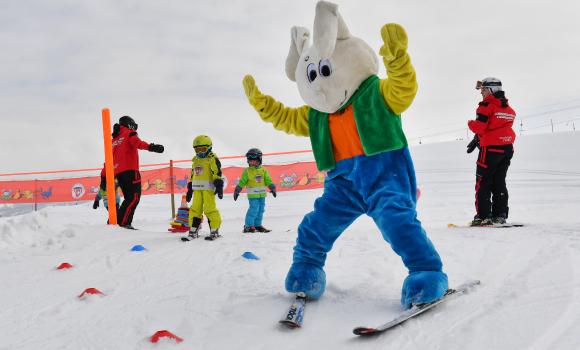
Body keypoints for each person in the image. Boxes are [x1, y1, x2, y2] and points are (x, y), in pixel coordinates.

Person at [468, 77, 516, 226]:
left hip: (490, 150)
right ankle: (500, 215)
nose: (481, 93)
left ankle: (483, 216)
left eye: (483, 89)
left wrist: (470, 124)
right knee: (499, 182)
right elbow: (496, 125)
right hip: (507, 148)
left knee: (483, 182)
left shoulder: (486, 106)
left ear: (491, 90)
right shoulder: (508, 109)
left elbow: (480, 127)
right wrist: (479, 138)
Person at [112, 116, 164, 229]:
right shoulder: (130, 133)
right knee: (133, 198)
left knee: (128, 198)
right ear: (129, 124)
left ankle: (117, 222)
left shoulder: (114, 138)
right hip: (130, 170)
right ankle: (124, 223)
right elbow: (137, 143)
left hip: (118, 172)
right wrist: (152, 147)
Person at [185, 135, 224, 240]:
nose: (200, 152)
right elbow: (193, 175)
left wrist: (219, 184)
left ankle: (214, 229)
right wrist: (190, 190)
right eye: (197, 150)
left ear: (209, 147)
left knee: (209, 209)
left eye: (203, 149)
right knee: (195, 209)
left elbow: (217, 172)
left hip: (208, 189)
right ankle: (194, 229)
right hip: (197, 189)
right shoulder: (195, 161)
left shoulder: (211, 158)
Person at [233, 148, 277, 233]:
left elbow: (268, 180)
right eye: (250, 161)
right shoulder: (247, 171)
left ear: (259, 160)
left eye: (254, 161)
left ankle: (257, 225)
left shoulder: (264, 170)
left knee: (261, 210)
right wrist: (237, 190)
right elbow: (242, 181)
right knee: (254, 209)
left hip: (262, 195)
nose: (252, 163)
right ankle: (248, 226)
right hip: (253, 195)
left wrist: (272, 188)